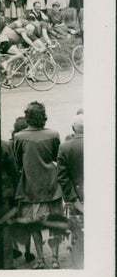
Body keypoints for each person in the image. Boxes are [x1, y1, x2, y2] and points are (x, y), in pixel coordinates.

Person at [13, 101, 64, 269]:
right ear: (44, 117)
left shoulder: (19, 137)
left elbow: (18, 162)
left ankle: (41, 259)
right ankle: (55, 259)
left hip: (30, 187)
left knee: (34, 225)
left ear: (27, 117)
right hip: (51, 186)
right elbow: (58, 158)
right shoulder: (54, 134)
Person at [57, 114, 84, 268]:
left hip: (77, 200)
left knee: (78, 237)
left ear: (73, 128)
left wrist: (74, 200)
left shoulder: (65, 147)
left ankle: (78, 267)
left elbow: (63, 177)